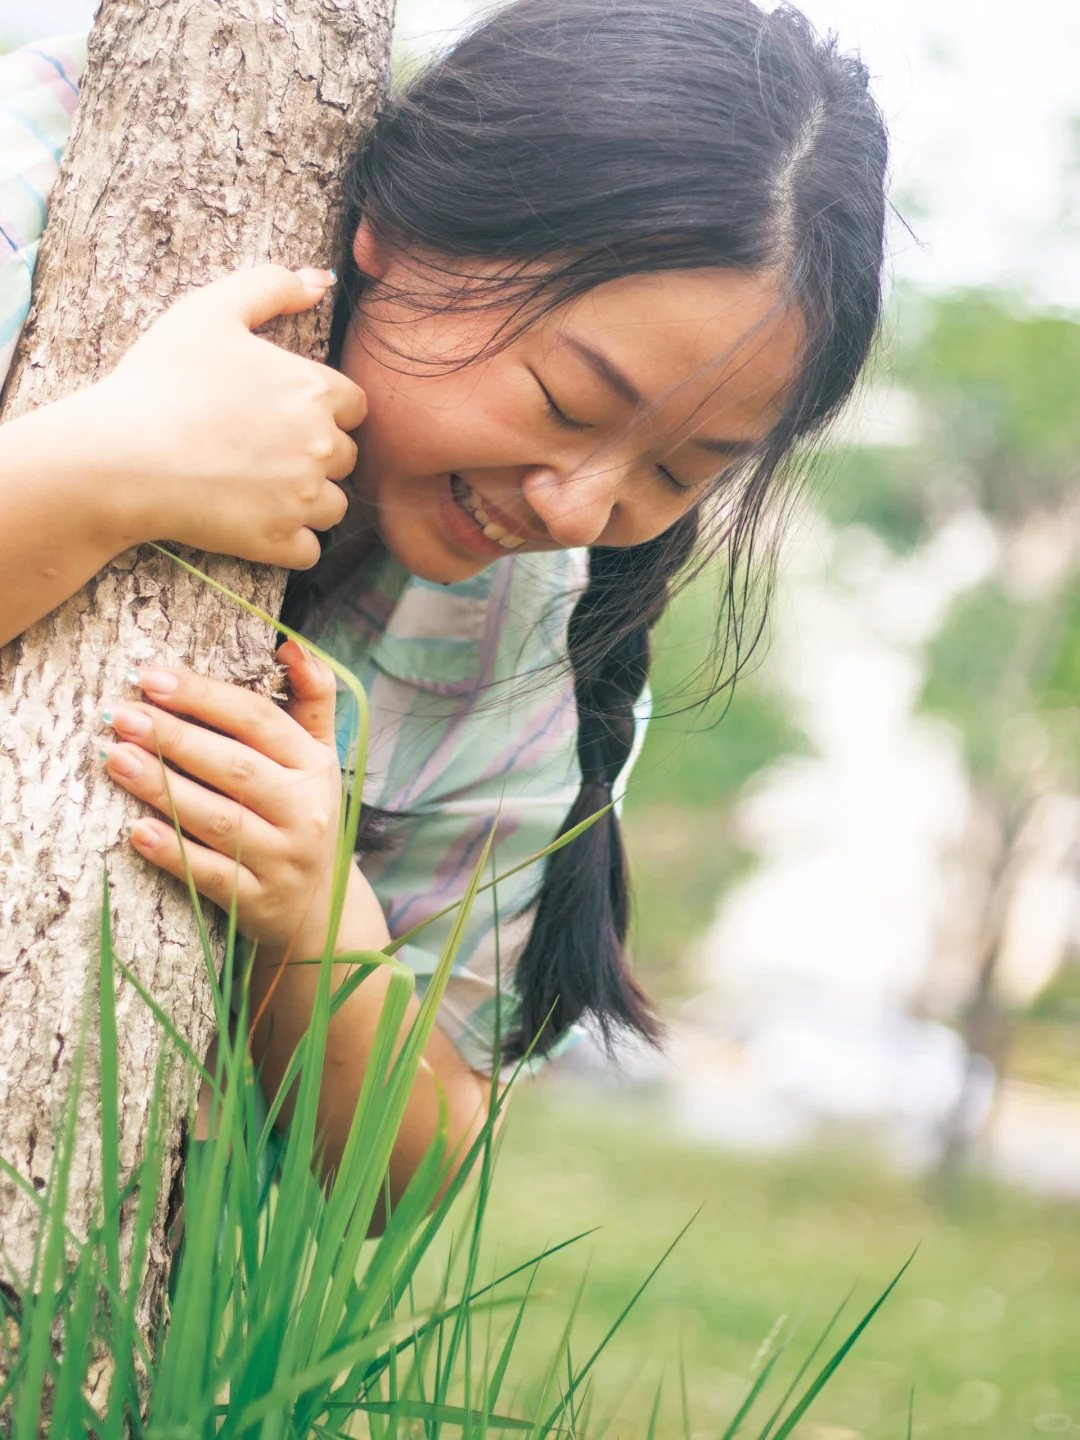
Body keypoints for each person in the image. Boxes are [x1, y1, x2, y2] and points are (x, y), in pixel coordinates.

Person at [0, 0, 888, 1205]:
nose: (580, 508)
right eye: (568, 403)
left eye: (680, 473)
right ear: (405, 231)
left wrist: (314, 924)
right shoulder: (55, 165)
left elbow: (413, 1183)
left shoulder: (523, 635)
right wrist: (102, 473)